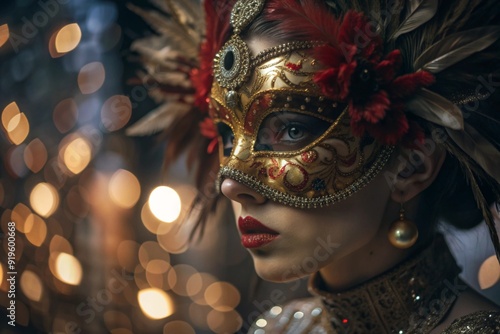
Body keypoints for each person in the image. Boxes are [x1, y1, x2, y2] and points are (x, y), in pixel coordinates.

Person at [128, 0, 500, 332]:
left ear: (411, 166)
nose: (230, 184)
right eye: (229, 136)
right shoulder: (278, 328)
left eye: (291, 129)